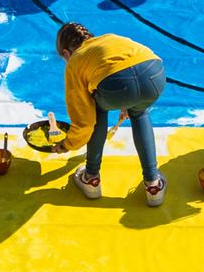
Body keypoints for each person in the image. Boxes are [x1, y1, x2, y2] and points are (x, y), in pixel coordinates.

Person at [36, 21, 166, 206]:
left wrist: (68, 144)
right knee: (140, 114)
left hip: (119, 84)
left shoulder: (75, 61)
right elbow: (129, 67)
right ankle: (153, 184)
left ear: (66, 53)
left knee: (95, 109)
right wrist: (127, 101)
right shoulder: (110, 39)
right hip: (154, 74)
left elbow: (85, 121)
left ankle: (90, 178)